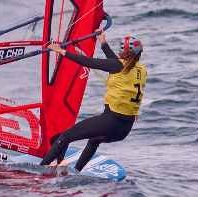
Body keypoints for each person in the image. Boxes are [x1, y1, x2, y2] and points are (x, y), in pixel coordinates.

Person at [40, 30, 146, 172]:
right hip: (124, 129)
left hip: (111, 121)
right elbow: (115, 63)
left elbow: (89, 61)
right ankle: (75, 171)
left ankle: (40, 170)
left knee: (64, 137)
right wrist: (103, 43)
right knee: (94, 140)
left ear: (123, 53)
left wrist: (61, 50)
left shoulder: (117, 66)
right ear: (139, 54)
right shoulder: (141, 70)